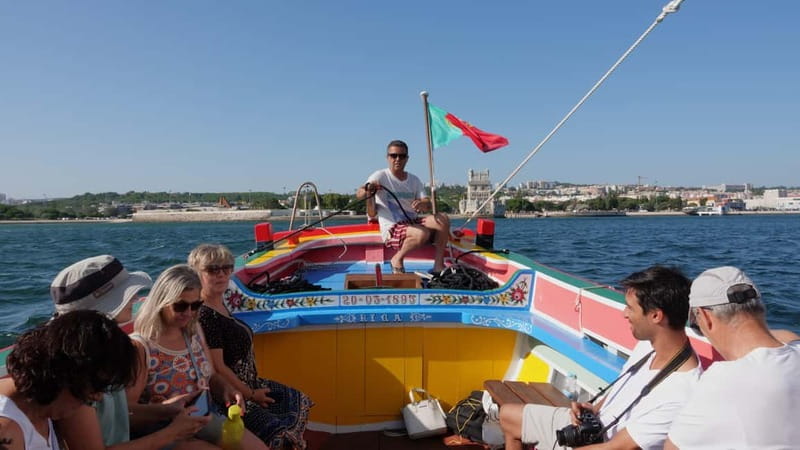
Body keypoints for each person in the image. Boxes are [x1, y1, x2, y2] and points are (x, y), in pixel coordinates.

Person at [499, 265, 701, 450]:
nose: (624, 314)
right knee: (508, 416)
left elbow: (617, 447)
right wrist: (592, 409)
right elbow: (625, 394)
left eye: (630, 308)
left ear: (656, 316)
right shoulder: (648, 346)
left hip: (606, 445)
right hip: (594, 431)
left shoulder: (680, 391)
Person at [50, 255, 211, 450]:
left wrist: (165, 410)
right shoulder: (76, 375)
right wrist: (171, 433)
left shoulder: (102, 352)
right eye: (125, 293)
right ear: (104, 306)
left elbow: (118, 414)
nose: (135, 298)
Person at [126, 264, 268, 450]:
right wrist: (164, 409)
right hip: (165, 430)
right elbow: (127, 412)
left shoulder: (193, 331)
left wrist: (227, 389)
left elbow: (210, 376)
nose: (188, 313)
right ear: (161, 302)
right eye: (180, 306)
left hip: (202, 418)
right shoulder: (141, 347)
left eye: (195, 305)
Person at [189, 243, 313, 449]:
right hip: (232, 394)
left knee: (299, 399)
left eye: (226, 268)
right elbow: (218, 367)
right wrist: (251, 395)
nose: (221, 274)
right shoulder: (205, 315)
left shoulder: (219, 304)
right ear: (196, 274)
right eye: (212, 270)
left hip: (250, 383)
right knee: (279, 435)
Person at [665, 266, 800, 449]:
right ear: (759, 309)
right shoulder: (795, 348)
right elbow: (787, 337)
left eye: (697, 325)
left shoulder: (723, 378)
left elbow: (673, 447)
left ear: (705, 317)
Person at [0, 310, 137, 450]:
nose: (98, 397)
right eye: (96, 386)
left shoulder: (39, 409)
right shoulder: (7, 430)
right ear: (66, 373)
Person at [356, 139, 450, 274]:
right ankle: (397, 259)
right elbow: (359, 193)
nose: (397, 159)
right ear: (387, 157)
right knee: (421, 233)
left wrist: (423, 204)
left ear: (407, 159)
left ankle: (438, 265)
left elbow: (428, 204)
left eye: (401, 156)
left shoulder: (414, 180)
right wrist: (368, 189)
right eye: (393, 156)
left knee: (443, 218)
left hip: (412, 222)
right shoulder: (380, 176)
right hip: (393, 226)